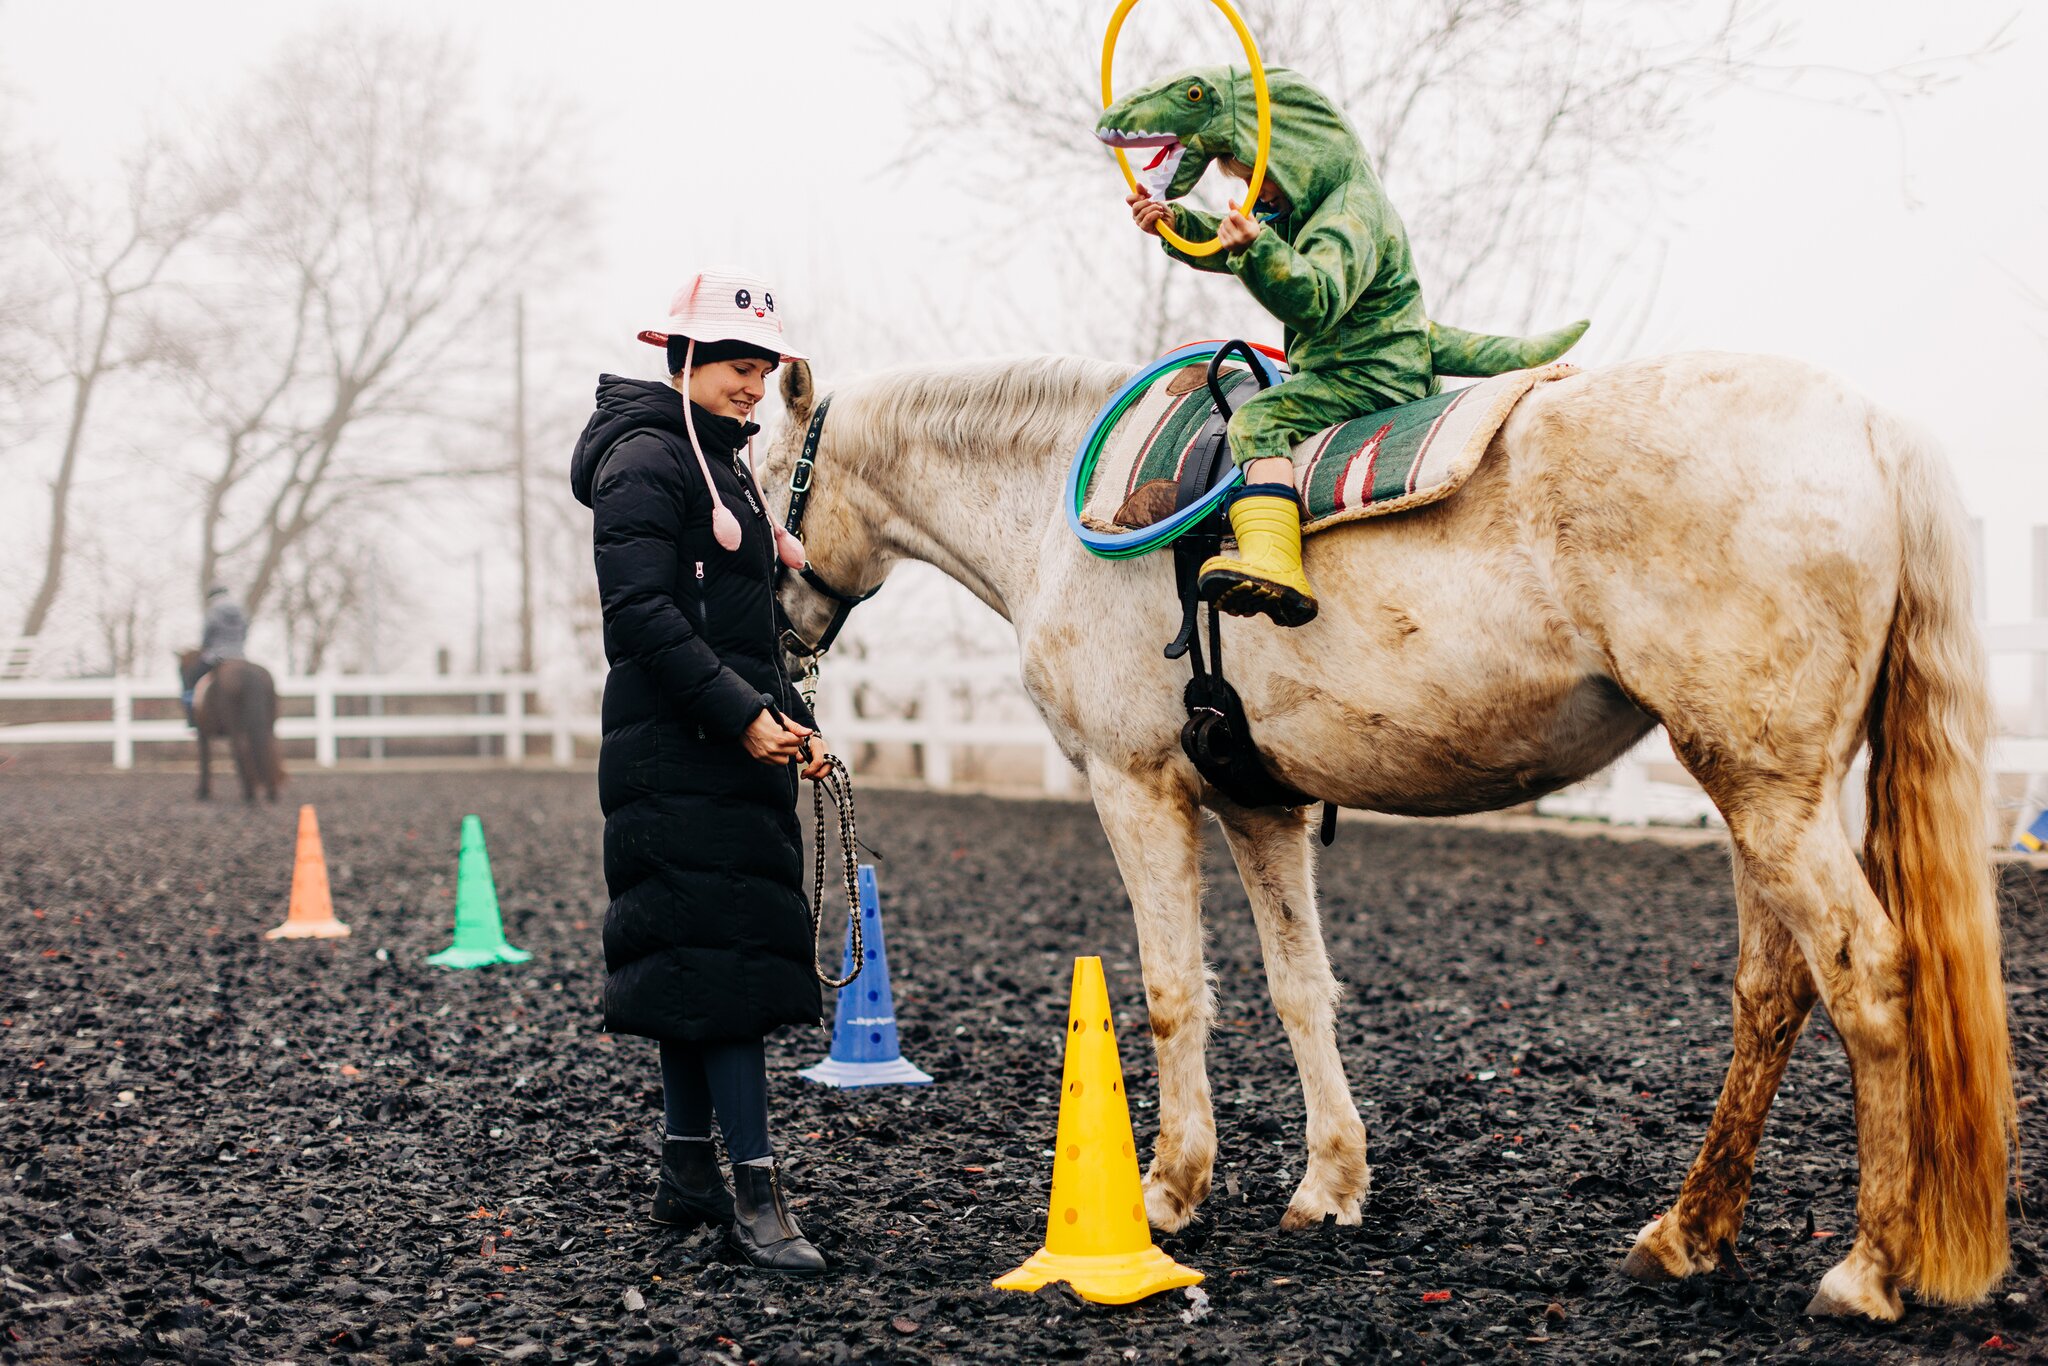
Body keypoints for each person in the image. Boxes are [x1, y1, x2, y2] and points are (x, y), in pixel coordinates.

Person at [1098, 66, 1586, 627]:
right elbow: (1228, 243)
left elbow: (1316, 299)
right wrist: (1174, 220)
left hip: (1370, 371)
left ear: (1284, 157)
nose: (1255, 194)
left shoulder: (1347, 214)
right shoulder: (1300, 208)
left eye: (1258, 178)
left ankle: (1274, 562)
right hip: (1366, 359)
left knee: (1257, 421)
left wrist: (1257, 251)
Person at [568, 267, 833, 1273]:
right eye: (733, 363)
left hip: (720, 751)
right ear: (680, 358)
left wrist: (790, 719)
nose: (751, 384)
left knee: (696, 966)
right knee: (719, 973)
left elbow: (744, 628)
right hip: (676, 755)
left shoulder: (719, 462)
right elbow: (641, 618)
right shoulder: (646, 460)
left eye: (760, 366)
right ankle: (757, 1196)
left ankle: (687, 1174)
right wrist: (740, 719)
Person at [182, 585, 248, 728]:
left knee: (191, 677)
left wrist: (205, 647)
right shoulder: (241, 610)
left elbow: (207, 634)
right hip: (239, 655)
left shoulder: (213, 611)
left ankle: (191, 716)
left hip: (217, 655)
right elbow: (244, 632)